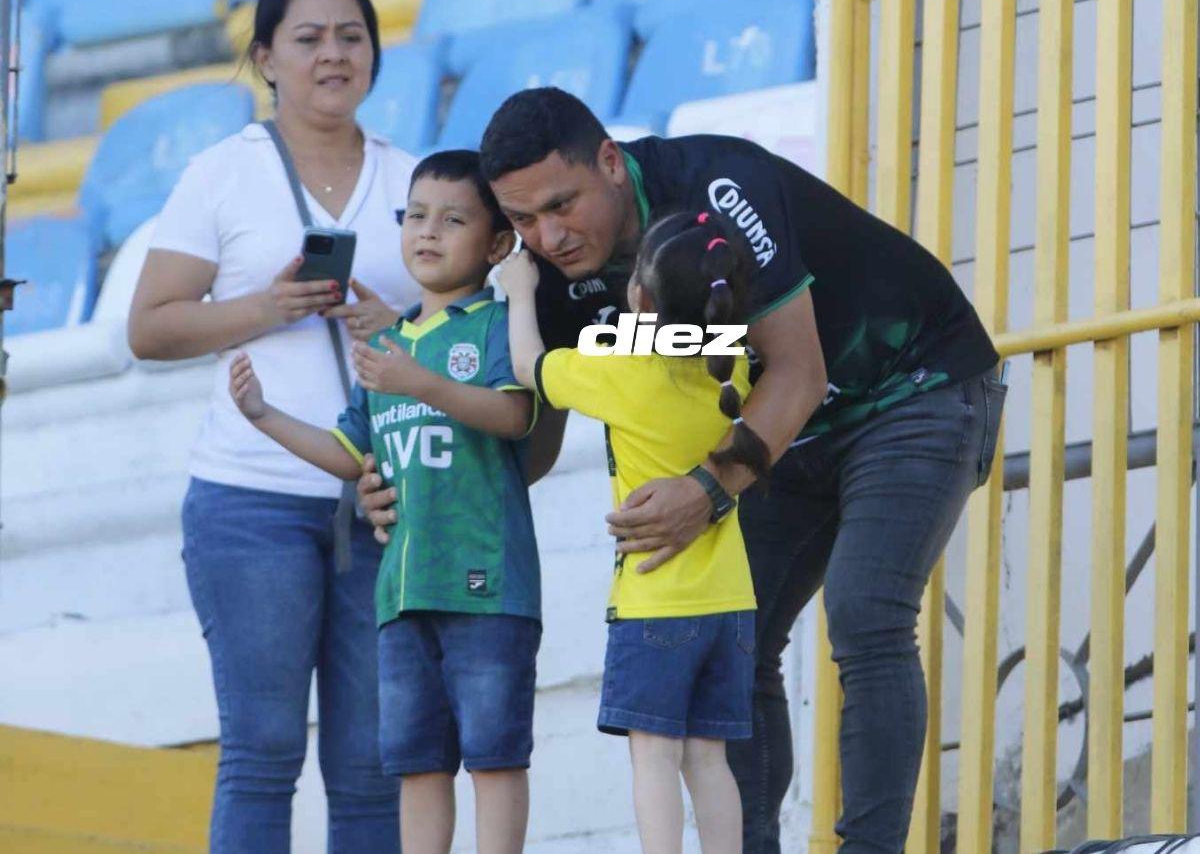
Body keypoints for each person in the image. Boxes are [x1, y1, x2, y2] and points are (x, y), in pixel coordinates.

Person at [359, 87, 1007, 853]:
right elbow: (536, 435)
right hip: (775, 437)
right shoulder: (549, 269)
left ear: (609, 160)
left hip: (914, 387)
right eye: (525, 220)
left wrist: (705, 492)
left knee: (865, 613)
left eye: (562, 205)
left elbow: (795, 374)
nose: (550, 236)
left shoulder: (717, 187)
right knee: (736, 636)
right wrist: (418, 484)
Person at [127, 0, 416, 851]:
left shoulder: (419, 181)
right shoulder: (222, 174)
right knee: (262, 753)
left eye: (352, 36)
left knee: (374, 767)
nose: (334, 55)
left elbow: (465, 330)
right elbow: (149, 327)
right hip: (248, 503)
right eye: (309, 38)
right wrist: (268, 308)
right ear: (265, 58)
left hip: (383, 503)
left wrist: (392, 323)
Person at [230, 150, 542, 854]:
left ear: (496, 245)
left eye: (454, 219)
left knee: (495, 756)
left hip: (486, 589)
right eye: (417, 217)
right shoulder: (389, 343)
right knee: (415, 764)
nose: (428, 233)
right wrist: (263, 415)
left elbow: (515, 415)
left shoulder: (492, 327)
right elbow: (350, 452)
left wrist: (420, 383)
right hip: (401, 594)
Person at [500, 210, 770, 854]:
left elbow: (529, 366)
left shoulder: (621, 375)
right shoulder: (732, 370)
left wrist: (518, 292)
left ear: (640, 299)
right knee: (710, 759)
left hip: (654, 601)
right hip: (732, 601)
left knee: (654, 757)